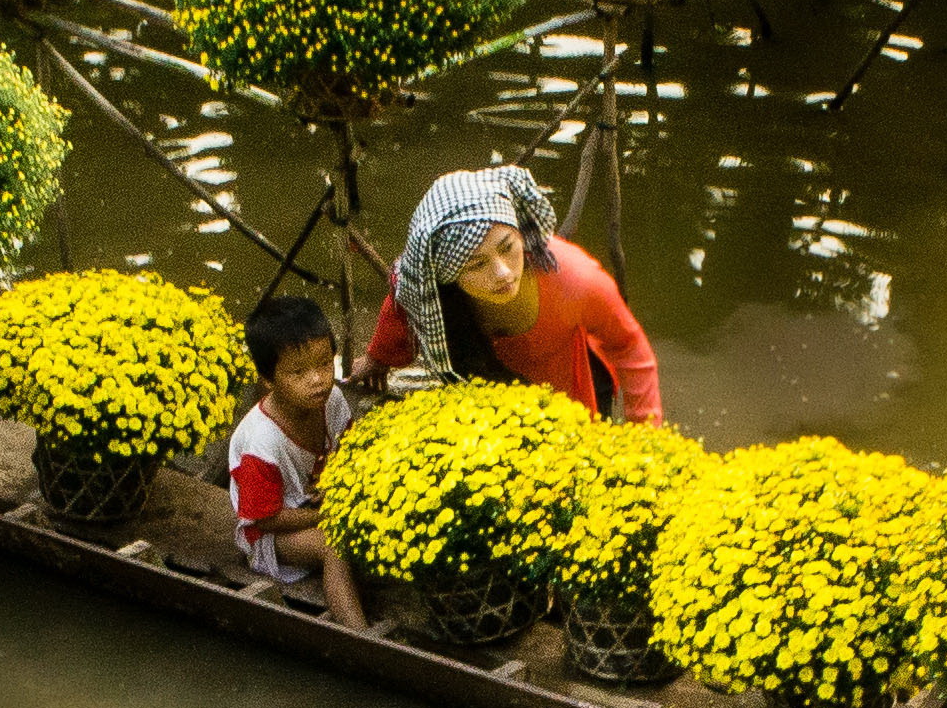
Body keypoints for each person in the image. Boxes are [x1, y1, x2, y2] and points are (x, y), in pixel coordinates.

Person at [345, 165, 663, 422]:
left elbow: (630, 348)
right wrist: (378, 358)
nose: (503, 273)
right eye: (477, 264)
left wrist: (644, 441)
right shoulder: (431, 290)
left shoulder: (576, 279)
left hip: (567, 379)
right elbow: (404, 300)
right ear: (447, 276)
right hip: (489, 380)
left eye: (507, 247)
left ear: (520, 234)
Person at [225, 293, 366, 629]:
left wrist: (338, 489)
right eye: (298, 371)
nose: (317, 379)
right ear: (269, 380)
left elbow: (346, 454)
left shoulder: (331, 400)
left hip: (316, 502)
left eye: (323, 363)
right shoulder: (261, 442)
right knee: (334, 545)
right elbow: (266, 518)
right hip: (271, 535)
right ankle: (361, 634)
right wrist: (323, 515)